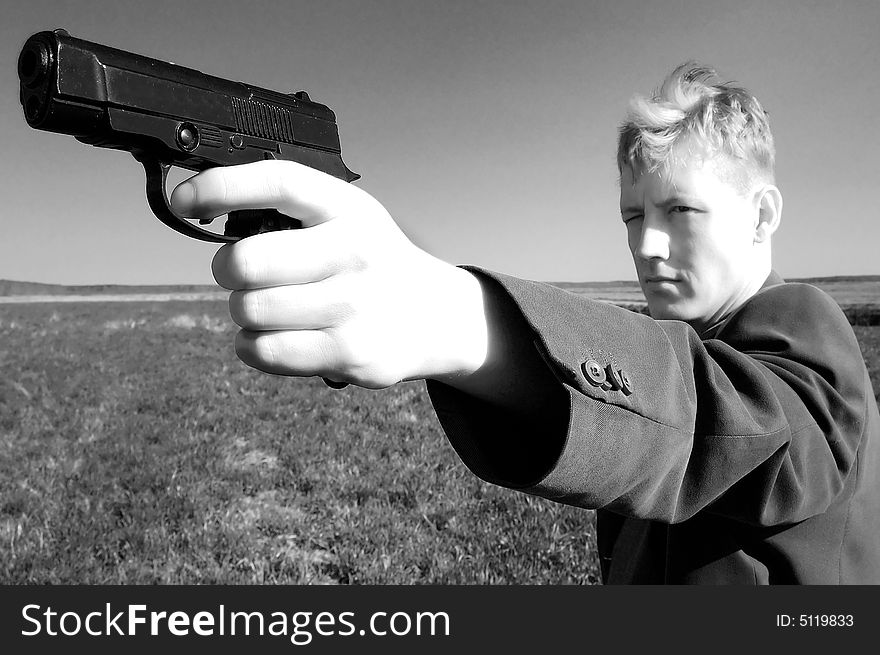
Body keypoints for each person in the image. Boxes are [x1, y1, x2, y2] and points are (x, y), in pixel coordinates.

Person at [170, 63, 880, 584]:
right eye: (634, 215)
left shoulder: (808, 332)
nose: (647, 245)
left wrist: (458, 318)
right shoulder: (688, 341)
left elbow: (732, 427)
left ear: (761, 215)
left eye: (681, 211)